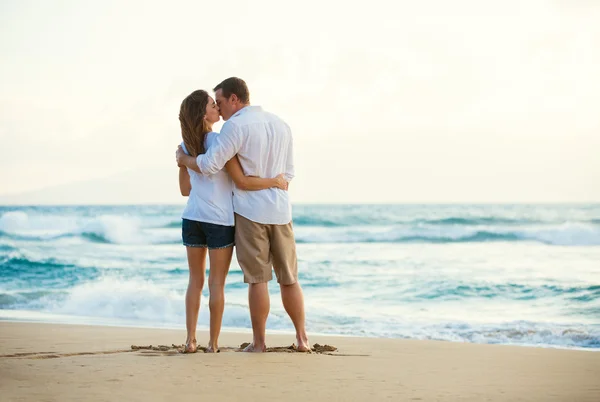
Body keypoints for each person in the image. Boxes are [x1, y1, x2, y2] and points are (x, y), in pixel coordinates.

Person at [176, 78, 309, 352]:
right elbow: (289, 174)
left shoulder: (231, 129)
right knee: (289, 278)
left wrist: (184, 160)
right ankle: (302, 339)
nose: (221, 110)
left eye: (221, 102)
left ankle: (257, 343)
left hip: (248, 212)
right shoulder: (281, 125)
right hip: (280, 211)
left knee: (257, 279)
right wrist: (274, 182)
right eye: (215, 105)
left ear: (234, 99)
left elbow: (208, 170)